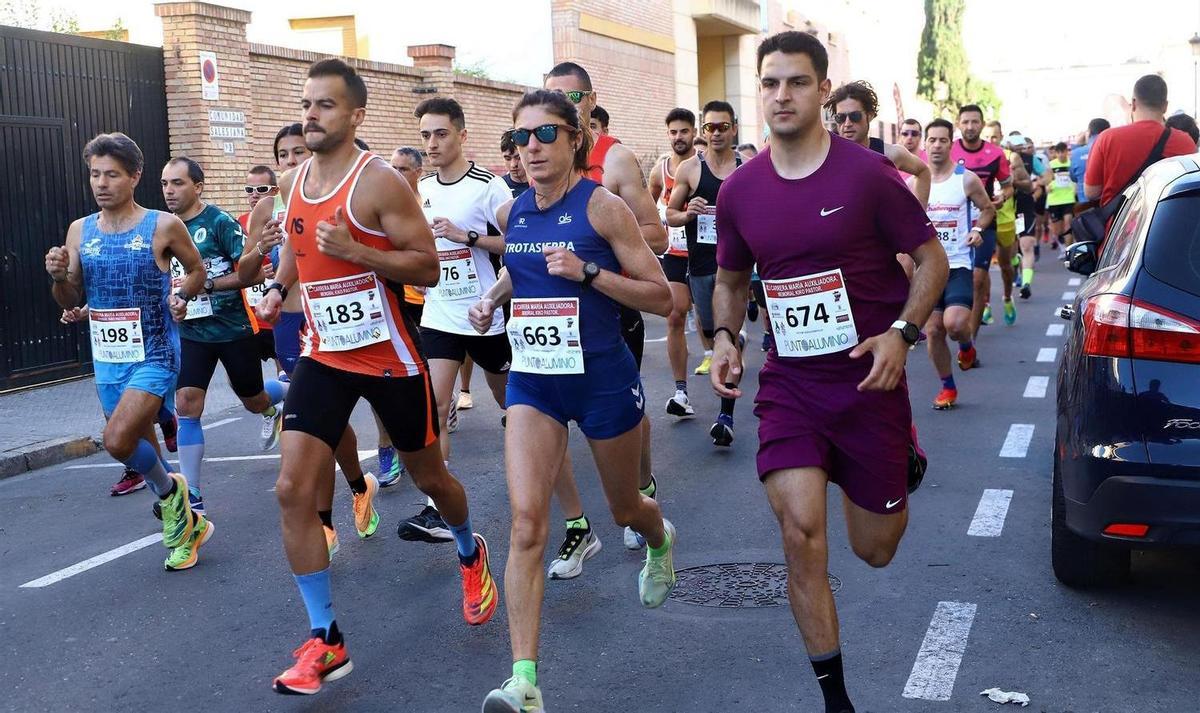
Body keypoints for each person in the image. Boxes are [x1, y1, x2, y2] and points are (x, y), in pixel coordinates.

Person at [710, 31, 947, 713]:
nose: (781, 94)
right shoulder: (740, 192)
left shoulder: (868, 175)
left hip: (871, 384)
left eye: (796, 82)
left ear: (821, 90)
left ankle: (899, 453)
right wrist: (726, 335)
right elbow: (729, 281)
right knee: (801, 532)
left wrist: (902, 334)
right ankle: (835, 699)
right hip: (791, 388)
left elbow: (932, 262)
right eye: (770, 82)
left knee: (874, 549)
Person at [252, 59, 498, 696]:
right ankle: (326, 638)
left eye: (325, 105)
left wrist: (359, 252)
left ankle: (470, 551)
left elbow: (428, 269)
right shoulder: (294, 180)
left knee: (430, 477)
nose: (311, 114)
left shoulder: (381, 182)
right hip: (325, 353)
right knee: (289, 489)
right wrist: (279, 289)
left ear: (356, 115)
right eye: (307, 104)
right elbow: (295, 250)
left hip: (389, 355)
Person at [470, 88, 675, 713]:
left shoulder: (603, 208)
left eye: (545, 135)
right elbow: (524, 265)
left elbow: (660, 296)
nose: (530, 147)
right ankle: (524, 681)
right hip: (535, 379)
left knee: (622, 509)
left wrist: (588, 274)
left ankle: (660, 539)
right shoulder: (515, 214)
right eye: (519, 138)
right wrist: (493, 299)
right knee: (528, 522)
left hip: (603, 377)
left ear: (573, 140)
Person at [47, 132, 210, 570]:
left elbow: (196, 270)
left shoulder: (162, 225)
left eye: (112, 174)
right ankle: (184, 517)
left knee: (116, 439)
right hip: (107, 359)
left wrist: (183, 296)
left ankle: (173, 497)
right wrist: (60, 278)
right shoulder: (80, 230)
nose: (101, 183)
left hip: (155, 353)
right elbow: (69, 296)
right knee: (138, 444)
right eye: (95, 174)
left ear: (135, 176)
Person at [541, 61, 668, 571]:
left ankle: (642, 489)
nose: (562, 106)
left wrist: (596, 252)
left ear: (590, 102)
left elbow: (655, 238)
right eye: (552, 96)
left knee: (628, 414)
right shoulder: (538, 154)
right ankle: (576, 526)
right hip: (549, 323)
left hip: (610, 315)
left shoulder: (614, 160)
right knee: (540, 422)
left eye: (572, 98)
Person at [243, 127, 384, 546]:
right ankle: (346, 500)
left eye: (298, 152)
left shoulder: (334, 195)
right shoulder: (267, 206)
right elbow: (245, 270)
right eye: (282, 154)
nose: (290, 161)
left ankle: (343, 503)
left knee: (329, 420)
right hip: (289, 324)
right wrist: (261, 253)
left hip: (334, 320)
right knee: (323, 423)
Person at [392, 96, 514, 543]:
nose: (432, 143)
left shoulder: (488, 187)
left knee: (512, 405)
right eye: (425, 135)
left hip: (485, 314)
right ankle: (436, 510)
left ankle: (537, 452)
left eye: (441, 133)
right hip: (440, 313)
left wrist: (469, 237)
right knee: (436, 408)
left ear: (462, 135)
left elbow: (519, 245)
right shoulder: (419, 189)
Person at [160, 156, 287, 528]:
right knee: (186, 403)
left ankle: (277, 400)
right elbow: (164, 279)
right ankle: (193, 497)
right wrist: (174, 300)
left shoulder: (218, 222)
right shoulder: (162, 227)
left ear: (197, 187)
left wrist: (206, 285)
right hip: (193, 333)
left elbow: (248, 273)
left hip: (232, 328)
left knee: (252, 399)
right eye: (165, 183)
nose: (169, 191)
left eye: (177, 183)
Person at [666, 100, 745, 447]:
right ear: (703, 130)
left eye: (722, 127)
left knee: (727, 337)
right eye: (710, 127)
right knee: (713, 338)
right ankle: (725, 354)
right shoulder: (690, 170)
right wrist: (688, 213)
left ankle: (725, 415)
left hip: (736, 267)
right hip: (699, 266)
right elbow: (669, 214)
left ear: (734, 129)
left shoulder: (747, 168)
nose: (716, 133)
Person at [923, 119, 994, 409]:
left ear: (950, 143)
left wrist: (977, 230)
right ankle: (947, 387)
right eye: (932, 140)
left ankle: (966, 346)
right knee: (934, 330)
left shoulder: (965, 177)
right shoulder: (917, 180)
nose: (937, 145)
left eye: (942, 140)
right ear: (925, 144)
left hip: (958, 264)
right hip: (928, 268)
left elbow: (987, 209)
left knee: (954, 324)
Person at [648, 107, 697, 419]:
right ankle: (681, 391)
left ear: (693, 132)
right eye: (673, 132)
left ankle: (729, 341)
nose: (678, 137)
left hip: (706, 253)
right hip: (675, 254)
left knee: (712, 321)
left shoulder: (701, 166)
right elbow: (646, 205)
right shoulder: (659, 169)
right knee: (675, 315)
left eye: (684, 131)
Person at [1084, 74, 1196, 207]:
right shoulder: (1185, 142)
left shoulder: (1107, 138)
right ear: (1165, 106)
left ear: (1134, 104)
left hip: (1121, 225)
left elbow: (1091, 192)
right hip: (1171, 223)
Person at [951, 104, 1012, 344]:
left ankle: (970, 340)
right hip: (952, 224)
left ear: (981, 124)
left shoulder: (996, 154)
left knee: (977, 278)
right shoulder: (950, 150)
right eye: (965, 122)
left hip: (985, 221)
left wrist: (1002, 197)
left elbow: (1008, 186)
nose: (970, 126)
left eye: (975, 122)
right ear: (959, 124)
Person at [826, 81, 930, 206]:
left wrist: (920, 217)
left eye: (855, 116)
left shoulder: (891, 154)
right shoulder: (826, 156)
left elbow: (923, 171)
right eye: (840, 118)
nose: (847, 123)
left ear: (869, 115)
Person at [238, 164, 282, 373]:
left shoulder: (282, 219)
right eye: (249, 190)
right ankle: (270, 407)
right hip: (249, 316)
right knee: (241, 378)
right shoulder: (239, 222)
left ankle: (286, 403)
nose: (254, 195)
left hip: (277, 310)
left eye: (261, 190)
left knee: (284, 368)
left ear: (275, 191)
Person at [1069, 118, 1109, 212]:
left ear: (1089, 132)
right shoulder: (1111, 148)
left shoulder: (1076, 153)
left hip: (1085, 205)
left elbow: (1073, 177)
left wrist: (1078, 144)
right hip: (1108, 203)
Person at [1043, 141, 1077, 250]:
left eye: (1063, 152)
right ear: (1056, 153)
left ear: (1067, 152)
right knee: (1058, 230)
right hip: (1054, 200)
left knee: (1068, 224)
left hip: (1069, 198)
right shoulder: (1051, 165)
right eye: (1059, 152)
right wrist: (1047, 188)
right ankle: (1061, 245)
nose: (1061, 154)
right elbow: (1047, 181)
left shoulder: (1071, 163)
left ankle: (1068, 251)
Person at [500, 130, 530, 197]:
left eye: (518, 158)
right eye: (507, 159)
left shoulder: (541, 184)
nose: (513, 165)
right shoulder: (499, 187)